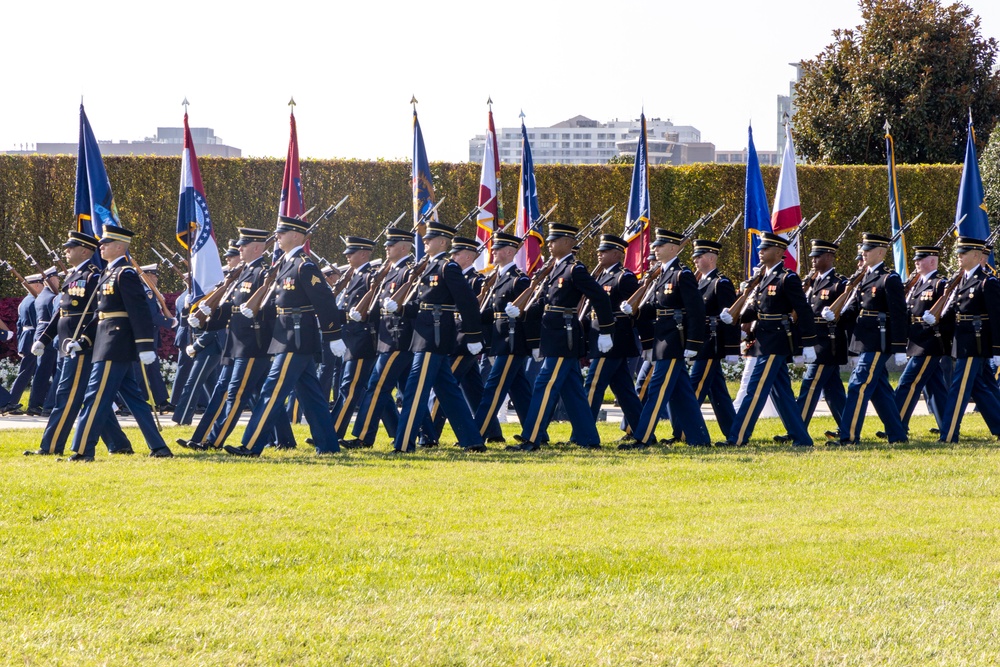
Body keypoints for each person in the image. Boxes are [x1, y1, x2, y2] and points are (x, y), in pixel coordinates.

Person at [225, 215, 342, 457]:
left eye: (282, 232)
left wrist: (333, 333)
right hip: (285, 335)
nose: (276, 236)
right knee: (311, 395)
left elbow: (324, 301)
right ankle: (329, 445)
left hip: (295, 338)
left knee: (273, 390)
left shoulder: (304, 265)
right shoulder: (285, 263)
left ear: (296, 236)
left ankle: (251, 445)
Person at [505, 221, 615, 452]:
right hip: (553, 335)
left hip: (563, 338)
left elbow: (600, 299)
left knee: (544, 385)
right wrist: (522, 312)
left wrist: (605, 329)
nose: (550, 245)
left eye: (554, 241)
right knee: (572, 389)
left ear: (567, 243)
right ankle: (588, 437)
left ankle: (532, 438)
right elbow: (546, 303)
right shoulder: (553, 270)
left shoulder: (575, 270)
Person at [67, 226, 174, 460]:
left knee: (95, 397)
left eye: (106, 243)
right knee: (135, 399)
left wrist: (145, 346)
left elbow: (140, 312)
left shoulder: (125, 273)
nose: (101, 246)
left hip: (115, 344)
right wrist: (83, 340)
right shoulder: (109, 272)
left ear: (119, 246)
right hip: (107, 342)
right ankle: (159, 447)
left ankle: (83, 450)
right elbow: (100, 314)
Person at [24, 231, 131, 456]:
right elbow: (62, 313)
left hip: (81, 346)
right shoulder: (72, 275)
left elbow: (99, 314)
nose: (65, 251)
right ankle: (119, 444)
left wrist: (83, 340)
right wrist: (44, 338)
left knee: (67, 396)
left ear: (84, 251)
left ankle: (50, 447)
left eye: (70, 248)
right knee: (82, 396)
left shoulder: (93, 276)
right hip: (66, 345)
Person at [387, 221, 486, 453]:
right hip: (426, 335)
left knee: (415, 389)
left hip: (435, 337)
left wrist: (473, 335)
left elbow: (468, 302)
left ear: (442, 242)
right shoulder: (430, 267)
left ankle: (403, 444)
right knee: (449, 391)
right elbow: (424, 304)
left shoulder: (447, 267)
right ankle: (472, 440)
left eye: (429, 239)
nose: (425, 242)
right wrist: (401, 308)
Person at [718, 231, 817, 447]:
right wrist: (737, 318)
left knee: (755, 390)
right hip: (763, 338)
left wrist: (808, 343)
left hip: (777, 340)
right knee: (782, 394)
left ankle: (738, 437)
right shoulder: (764, 276)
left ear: (779, 252)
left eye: (765, 249)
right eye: (760, 248)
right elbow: (757, 308)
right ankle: (802, 438)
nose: (760, 252)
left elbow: (803, 311)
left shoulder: (787, 278)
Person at [620, 228, 710, 449]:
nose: (655, 249)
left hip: (674, 341)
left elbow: (697, 312)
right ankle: (699, 438)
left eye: (659, 246)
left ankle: (642, 438)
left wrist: (693, 344)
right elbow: (656, 308)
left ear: (672, 248)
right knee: (683, 394)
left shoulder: (682, 274)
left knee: (657, 391)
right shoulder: (663, 273)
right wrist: (636, 311)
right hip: (664, 339)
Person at [822, 232, 908, 445]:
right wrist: (837, 316)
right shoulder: (865, 276)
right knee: (880, 390)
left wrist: (899, 347)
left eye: (867, 250)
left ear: (880, 252)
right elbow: (857, 306)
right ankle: (897, 435)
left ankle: (848, 437)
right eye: (863, 249)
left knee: (858, 385)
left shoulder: (889, 278)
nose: (863, 253)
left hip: (878, 341)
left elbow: (899, 314)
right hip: (864, 339)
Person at [344, 227, 415, 449]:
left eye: (391, 245)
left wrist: (401, 308)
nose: (386, 248)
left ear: (404, 247)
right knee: (404, 388)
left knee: (376, 386)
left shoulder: (409, 271)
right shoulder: (390, 271)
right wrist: (362, 314)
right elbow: (380, 305)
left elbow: (416, 303)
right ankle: (427, 435)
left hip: (399, 338)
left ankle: (363, 437)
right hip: (386, 337)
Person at [924, 236, 1000, 443]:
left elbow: (996, 317)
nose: (959, 257)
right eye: (958, 253)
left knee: (958, 388)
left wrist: (997, 350)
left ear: (976, 255)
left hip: (975, 343)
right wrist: (935, 320)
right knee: (978, 387)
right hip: (961, 341)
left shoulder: (987, 282)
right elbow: (955, 311)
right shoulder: (960, 280)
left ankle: (948, 435)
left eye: (963, 253)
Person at [775, 239, 849, 442]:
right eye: (813, 257)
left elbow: (849, 312)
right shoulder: (811, 282)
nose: (814, 261)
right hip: (814, 339)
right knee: (833, 390)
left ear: (829, 257)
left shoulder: (840, 283)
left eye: (818, 257)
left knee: (810, 385)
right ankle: (847, 427)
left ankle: (796, 430)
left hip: (828, 342)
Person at [668, 238, 739, 443]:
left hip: (710, 343)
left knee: (694, 388)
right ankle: (734, 431)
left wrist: (732, 348)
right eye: (695, 257)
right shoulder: (699, 281)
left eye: (699, 257)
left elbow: (731, 318)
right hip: (701, 341)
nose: (696, 260)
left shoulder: (721, 283)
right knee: (718, 393)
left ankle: (682, 433)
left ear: (710, 258)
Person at [473, 231, 534, 439]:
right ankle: (537, 433)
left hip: (512, 340)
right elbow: (493, 312)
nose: (493, 252)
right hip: (500, 339)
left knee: (493, 388)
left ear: (509, 252)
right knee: (520, 391)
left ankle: (477, 433)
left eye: (497, 249)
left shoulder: (518, 280)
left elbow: (532, 308)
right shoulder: (497, 278)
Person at [582, 233, 642, 434]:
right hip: (601, 338)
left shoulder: (624, 277)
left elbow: (632, 310)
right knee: (624, 390)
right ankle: (641, 430)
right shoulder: (600, 275)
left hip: (614, 340)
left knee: (593, 384)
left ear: (617, 254)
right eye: (599, 250)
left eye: (604, 251)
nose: (599, 254)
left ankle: (583, 431)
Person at [888, 244, 950, 436]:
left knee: (908, 383)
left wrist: (937, 320)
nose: (916, 262)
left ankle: (896, 425)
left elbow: (949, 311)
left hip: (929, 342)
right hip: (915, 339)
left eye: (920, 259)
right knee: (935, 387)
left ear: (932, 261)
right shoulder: (916, 283)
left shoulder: (941, 284)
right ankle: (947, 426)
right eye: (915, 258)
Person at [330, 235, 384, 441]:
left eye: (351, 254)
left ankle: (333, 431)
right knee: (375, 390)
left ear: (363, 254)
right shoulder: (353, 276)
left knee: (349, 387)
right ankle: (398, 429)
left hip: (362, 339)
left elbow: (373, 308)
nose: (348, 257)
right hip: (351, 337)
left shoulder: (370, 277)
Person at [2, 273, 43, 414]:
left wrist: (20, 344)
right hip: (34, 338)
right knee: (28, 372)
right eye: (43, 284)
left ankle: (15, 402)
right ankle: (11, 402)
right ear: (37, 285)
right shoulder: (35, 301)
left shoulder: (25, 301)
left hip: (26, 338)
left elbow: (19, 325)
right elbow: (39, 323)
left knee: (32, 372)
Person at [26, 267, 61, 415]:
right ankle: (46, 404)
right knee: (48, 372)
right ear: (52, 279)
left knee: (43, 371)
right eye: (57, 278)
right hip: (49, 336)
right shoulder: (53, 297)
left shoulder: (40, 296)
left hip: (40, 334)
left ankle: (36, 403)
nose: (59, 281)